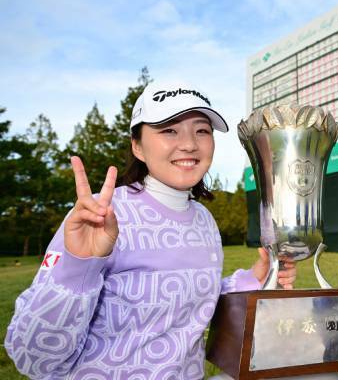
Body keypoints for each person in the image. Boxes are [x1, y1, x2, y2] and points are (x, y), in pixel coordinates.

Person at [5, 83, 296, 379]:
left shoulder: (203, 218)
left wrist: (255, 276)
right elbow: (33, 359)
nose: (189, 144)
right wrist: (78, 265)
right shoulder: (99, 215)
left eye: (201, 130)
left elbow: (193, 302)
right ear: (138, 146)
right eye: (169, 130)